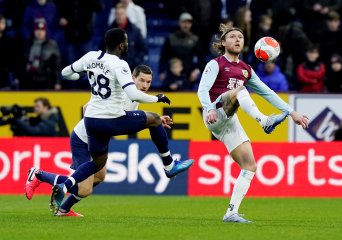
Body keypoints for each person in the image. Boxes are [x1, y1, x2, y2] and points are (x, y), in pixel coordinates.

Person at [49, 28, 193, 214]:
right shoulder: (120, 65)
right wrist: (157, 98)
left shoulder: (91, 56)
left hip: (93, 121)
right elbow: (133, 93)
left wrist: (83, 75)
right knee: (155, 119)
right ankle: (169, 166)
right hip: (107, 120)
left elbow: (65, 73)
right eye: (126, 42)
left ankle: (65, 186)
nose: (128, 45)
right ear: (122, 45)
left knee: (98, 166)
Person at [25, 65, 173, 217]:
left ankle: (63, 209)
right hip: (83, 140)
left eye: (148, 82)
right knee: (84, 189)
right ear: (132, 78)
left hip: (99, 140)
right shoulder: (120, 91)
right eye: (141, 80)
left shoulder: (134, 96)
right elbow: (86, 107)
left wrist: (156, 120)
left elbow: (130, 118)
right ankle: (38, 175)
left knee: (99, 177)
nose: (145, 85)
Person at [197, 24, 309, 223]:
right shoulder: (216, 64)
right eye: (232, 37)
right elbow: (202, 90)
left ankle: (231, 212)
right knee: (240, 90)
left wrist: (292, 113)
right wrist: (209, 108)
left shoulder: (246, 70)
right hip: (214, 111)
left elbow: (267, 92)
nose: (237, 40)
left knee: (249, 166)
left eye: (240, 37)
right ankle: (264, 121)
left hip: (228, 120)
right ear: (223, 43)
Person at [23, 18, 62, 91]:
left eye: (42, 30)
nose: (39, 32)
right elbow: (21, 63)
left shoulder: (52, 45)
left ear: (45, 31)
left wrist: (57, 82)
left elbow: (57, 66)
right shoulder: (28, 44)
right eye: (37, 30)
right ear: (34, 31)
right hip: (29, 80)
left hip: (46, 81)